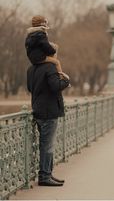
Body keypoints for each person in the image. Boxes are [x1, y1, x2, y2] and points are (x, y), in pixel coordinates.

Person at [27, 46, 70, 186]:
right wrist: (66, 81)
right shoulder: (50, 67)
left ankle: (48, 174)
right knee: (47, 145)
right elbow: (55, 86)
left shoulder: (31, 69)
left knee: (46, 144)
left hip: (37, 110)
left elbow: (29, 88)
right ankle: (45, 176)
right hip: (49, 111)